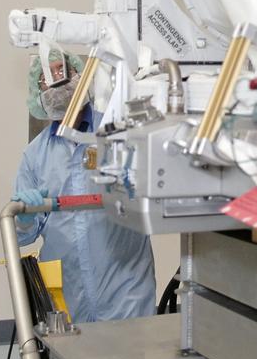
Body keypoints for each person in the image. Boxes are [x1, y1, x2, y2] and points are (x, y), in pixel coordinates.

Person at [11, 50, 155, 322]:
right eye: (46, 77)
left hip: (125, 283)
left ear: (81, 75)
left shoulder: (117, 131)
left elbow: (152, 194)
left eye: (63, 71)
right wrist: (25, 218)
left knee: (132, 358)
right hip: (68, 289)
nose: (57, 81)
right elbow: (22, 237)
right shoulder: (34, 156)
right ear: (37, 92)